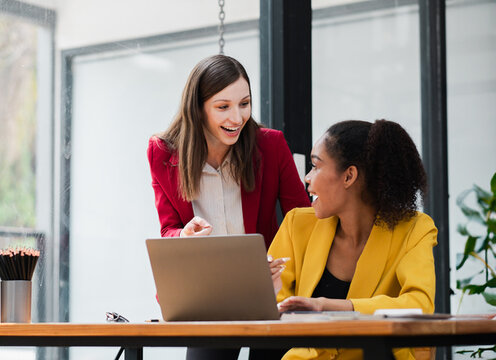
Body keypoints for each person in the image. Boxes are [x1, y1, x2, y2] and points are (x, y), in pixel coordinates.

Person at [147, 54, 310, 360]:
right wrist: (184, 236)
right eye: (223, 107)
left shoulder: (270, 146)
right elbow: (168, 229)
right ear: (198, 108)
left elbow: (302, 220)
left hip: (270, 294)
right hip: (208, 298)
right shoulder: (163, 152)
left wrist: (281, 262)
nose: (237, 118)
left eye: (244, 104)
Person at [268, 119, 437, 360]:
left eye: (316, 166)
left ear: (349, 176)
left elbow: (419, 305)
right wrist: (266, 290)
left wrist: (328, 306)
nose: (307, 177)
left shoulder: (414, 229)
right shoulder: (297, 224)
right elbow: (275, 307)